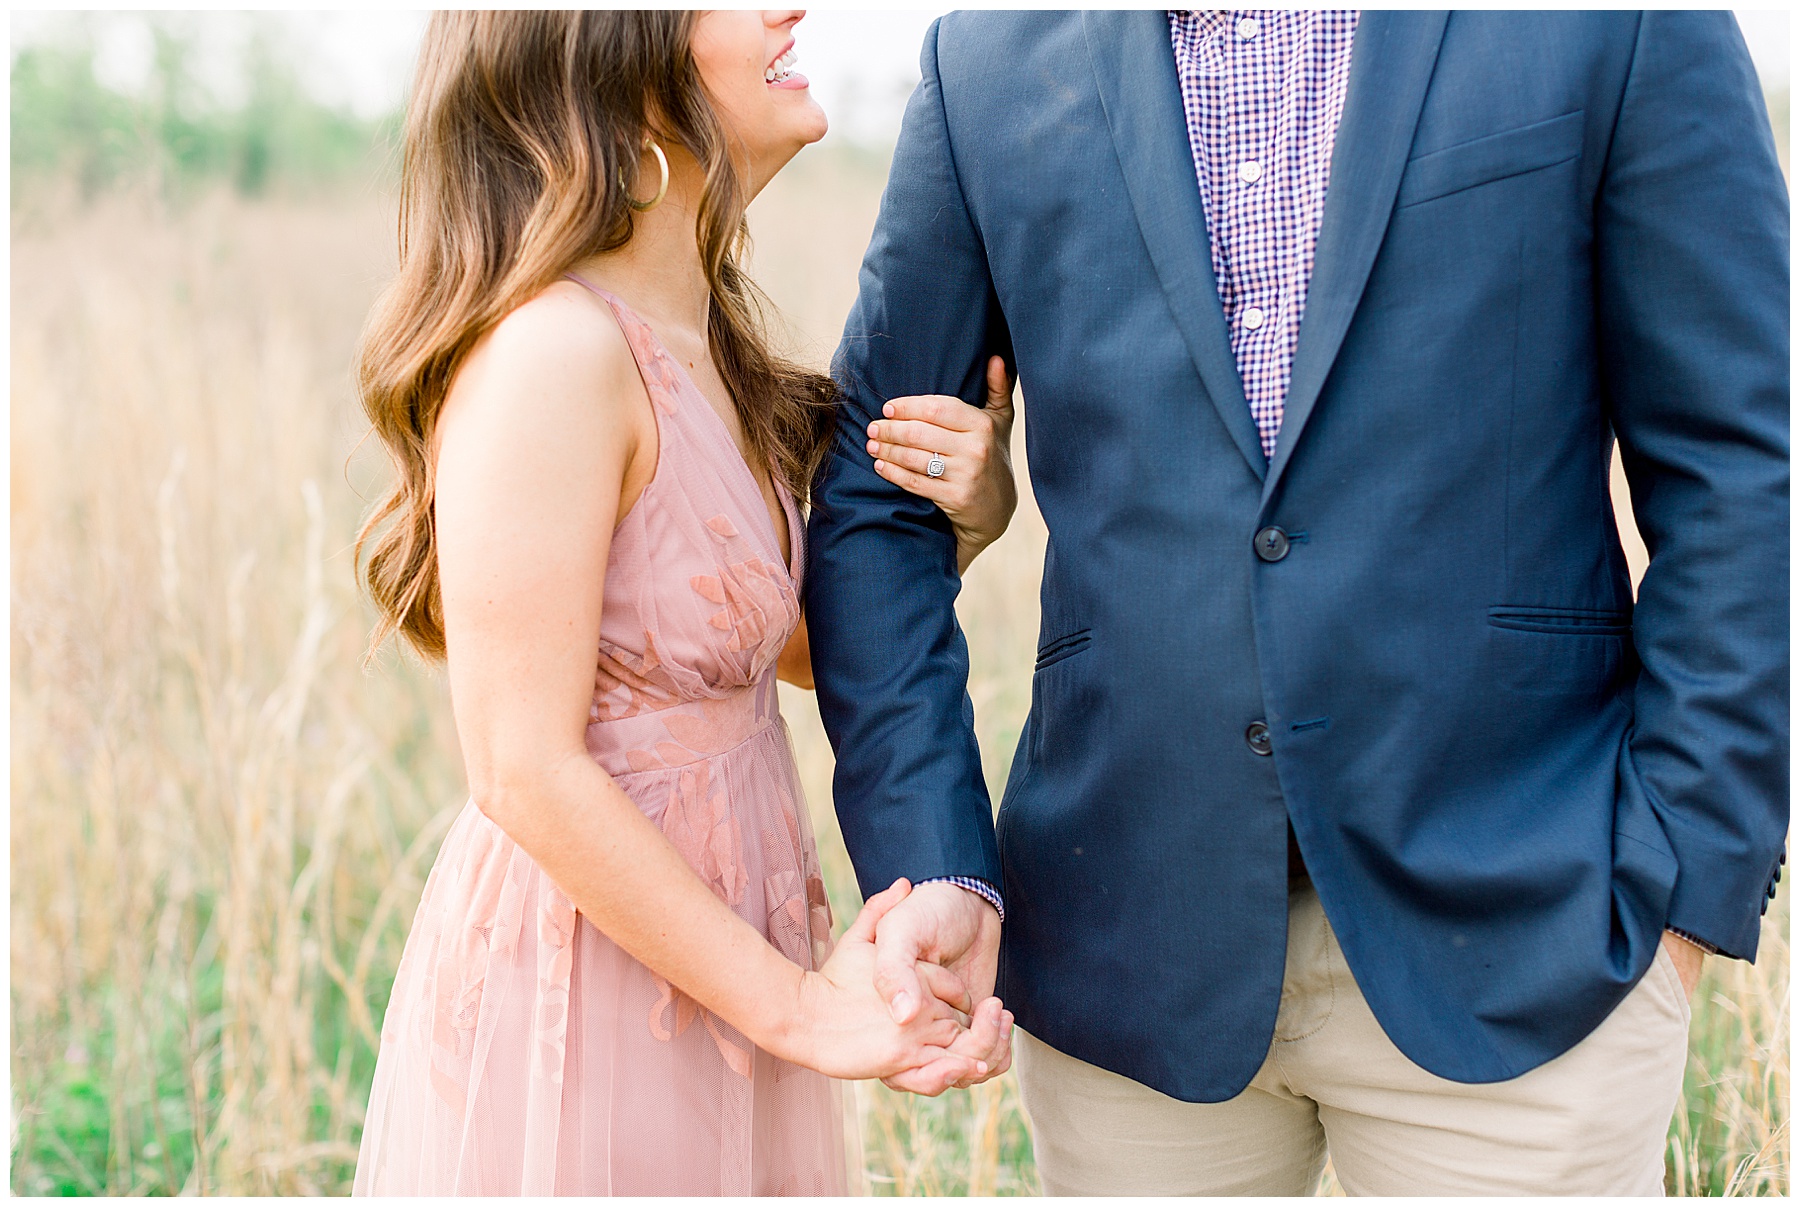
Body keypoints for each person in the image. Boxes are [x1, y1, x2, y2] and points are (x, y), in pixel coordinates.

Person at [807, 9, 1788, 1195]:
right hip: (1127, 958)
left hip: (1538, 933)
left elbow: (1737, 467)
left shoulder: (1617, 22)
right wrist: (938, 863)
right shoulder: (986, 63)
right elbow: (876, 502)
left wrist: (1688, 880)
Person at [350, 11, 1016, 1195]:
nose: (787, 12)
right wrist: (805, 1011)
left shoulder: (707, 344)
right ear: (625, 69)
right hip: (593, 983)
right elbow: (521, 765)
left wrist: (961, 524)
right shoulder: (554, 350)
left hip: (720, 962)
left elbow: (784, 647)